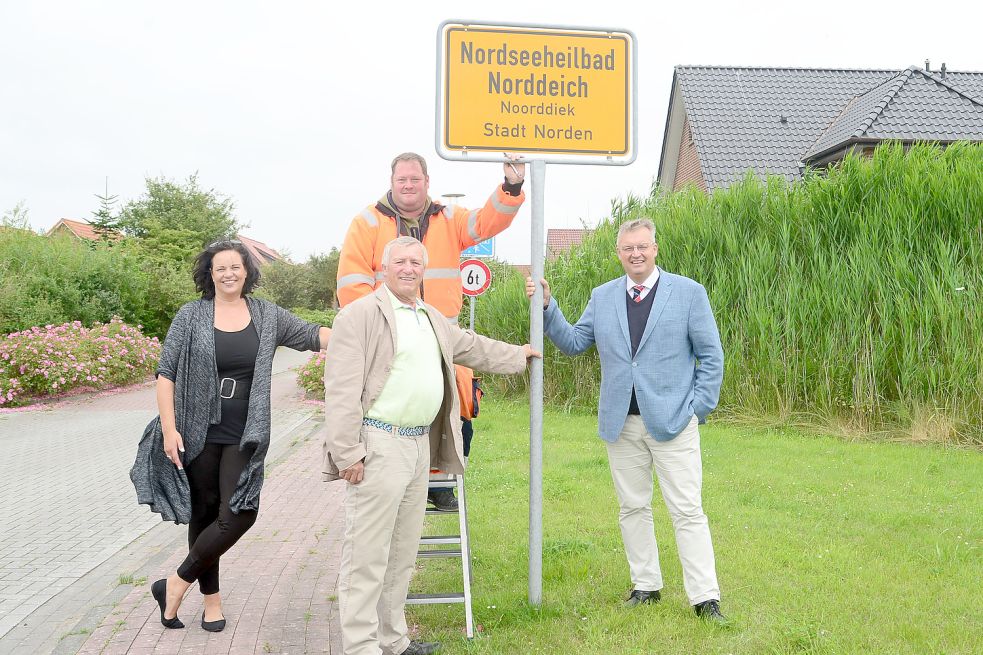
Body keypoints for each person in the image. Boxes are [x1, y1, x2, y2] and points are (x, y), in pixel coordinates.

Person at [324, 236, 539, 655]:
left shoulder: (431, 317)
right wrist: (348, 451)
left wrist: (521, 355)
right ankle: (360, 647)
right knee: (367, 556)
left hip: (417, 445)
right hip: (378, 445)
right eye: (399, 262)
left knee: (403, 552)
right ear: (382, 269)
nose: (408, 268)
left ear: (424, 269)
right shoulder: (360, 316)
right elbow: (341, 389)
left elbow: (473, 348)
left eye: (415, 262)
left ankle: (393, 640)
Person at [526, 217, 728, 623]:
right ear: (618, 253)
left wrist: (697, 409)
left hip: (674, 422)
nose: (636, 253)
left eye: (643, 246)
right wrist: (547, 307)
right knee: (633, 507)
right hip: (621, 423)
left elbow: (711, 356)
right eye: (628, 248)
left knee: (687, 511)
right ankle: (646, 585)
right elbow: (574, 342)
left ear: (655, 248)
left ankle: (705, 599)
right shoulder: (603, 297)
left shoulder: (688, 293)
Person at [130, 239, 331, 632]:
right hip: (196, 429)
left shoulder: (266, 315)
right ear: (210, 273)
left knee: (240, 512)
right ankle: (211, 604)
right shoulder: (191, 315)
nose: (228, 273)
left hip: (245, 430)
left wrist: (360, 332)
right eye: (220, 268)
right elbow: (165, 373)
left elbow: (310, 335)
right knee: (204, 515)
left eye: (235, 267)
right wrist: (169, 430)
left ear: (247, 271)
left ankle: (173, 583)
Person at [336, 151, 526, 511]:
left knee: (459, 415)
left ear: (427, 182)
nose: (409, 185)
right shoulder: (367, 223)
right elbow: (351, 282)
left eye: (415, 179)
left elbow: (488, 222)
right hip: (387, 340)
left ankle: (438, 486)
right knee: (391, 415)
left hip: (441, 337)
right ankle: (400, 487)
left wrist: (511, 185)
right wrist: (381, 326)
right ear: (392, 183)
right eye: (402, 180)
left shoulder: (449, 218)